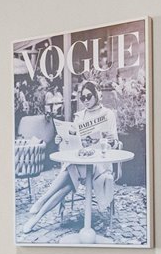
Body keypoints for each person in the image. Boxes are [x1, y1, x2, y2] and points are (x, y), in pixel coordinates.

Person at [20, 80, 120, 234]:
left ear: (96, 95)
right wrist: (62, 138)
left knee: (70, 173)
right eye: (82, 98)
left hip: (100, 164)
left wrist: (105, 139)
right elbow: (73, 142)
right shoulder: (79, 116)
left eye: (89, 96)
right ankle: (36, 218)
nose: (86, 100)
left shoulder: (107, 114)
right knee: (68, 186)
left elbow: (114, 143)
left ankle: (40, 203)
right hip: (81, 160)